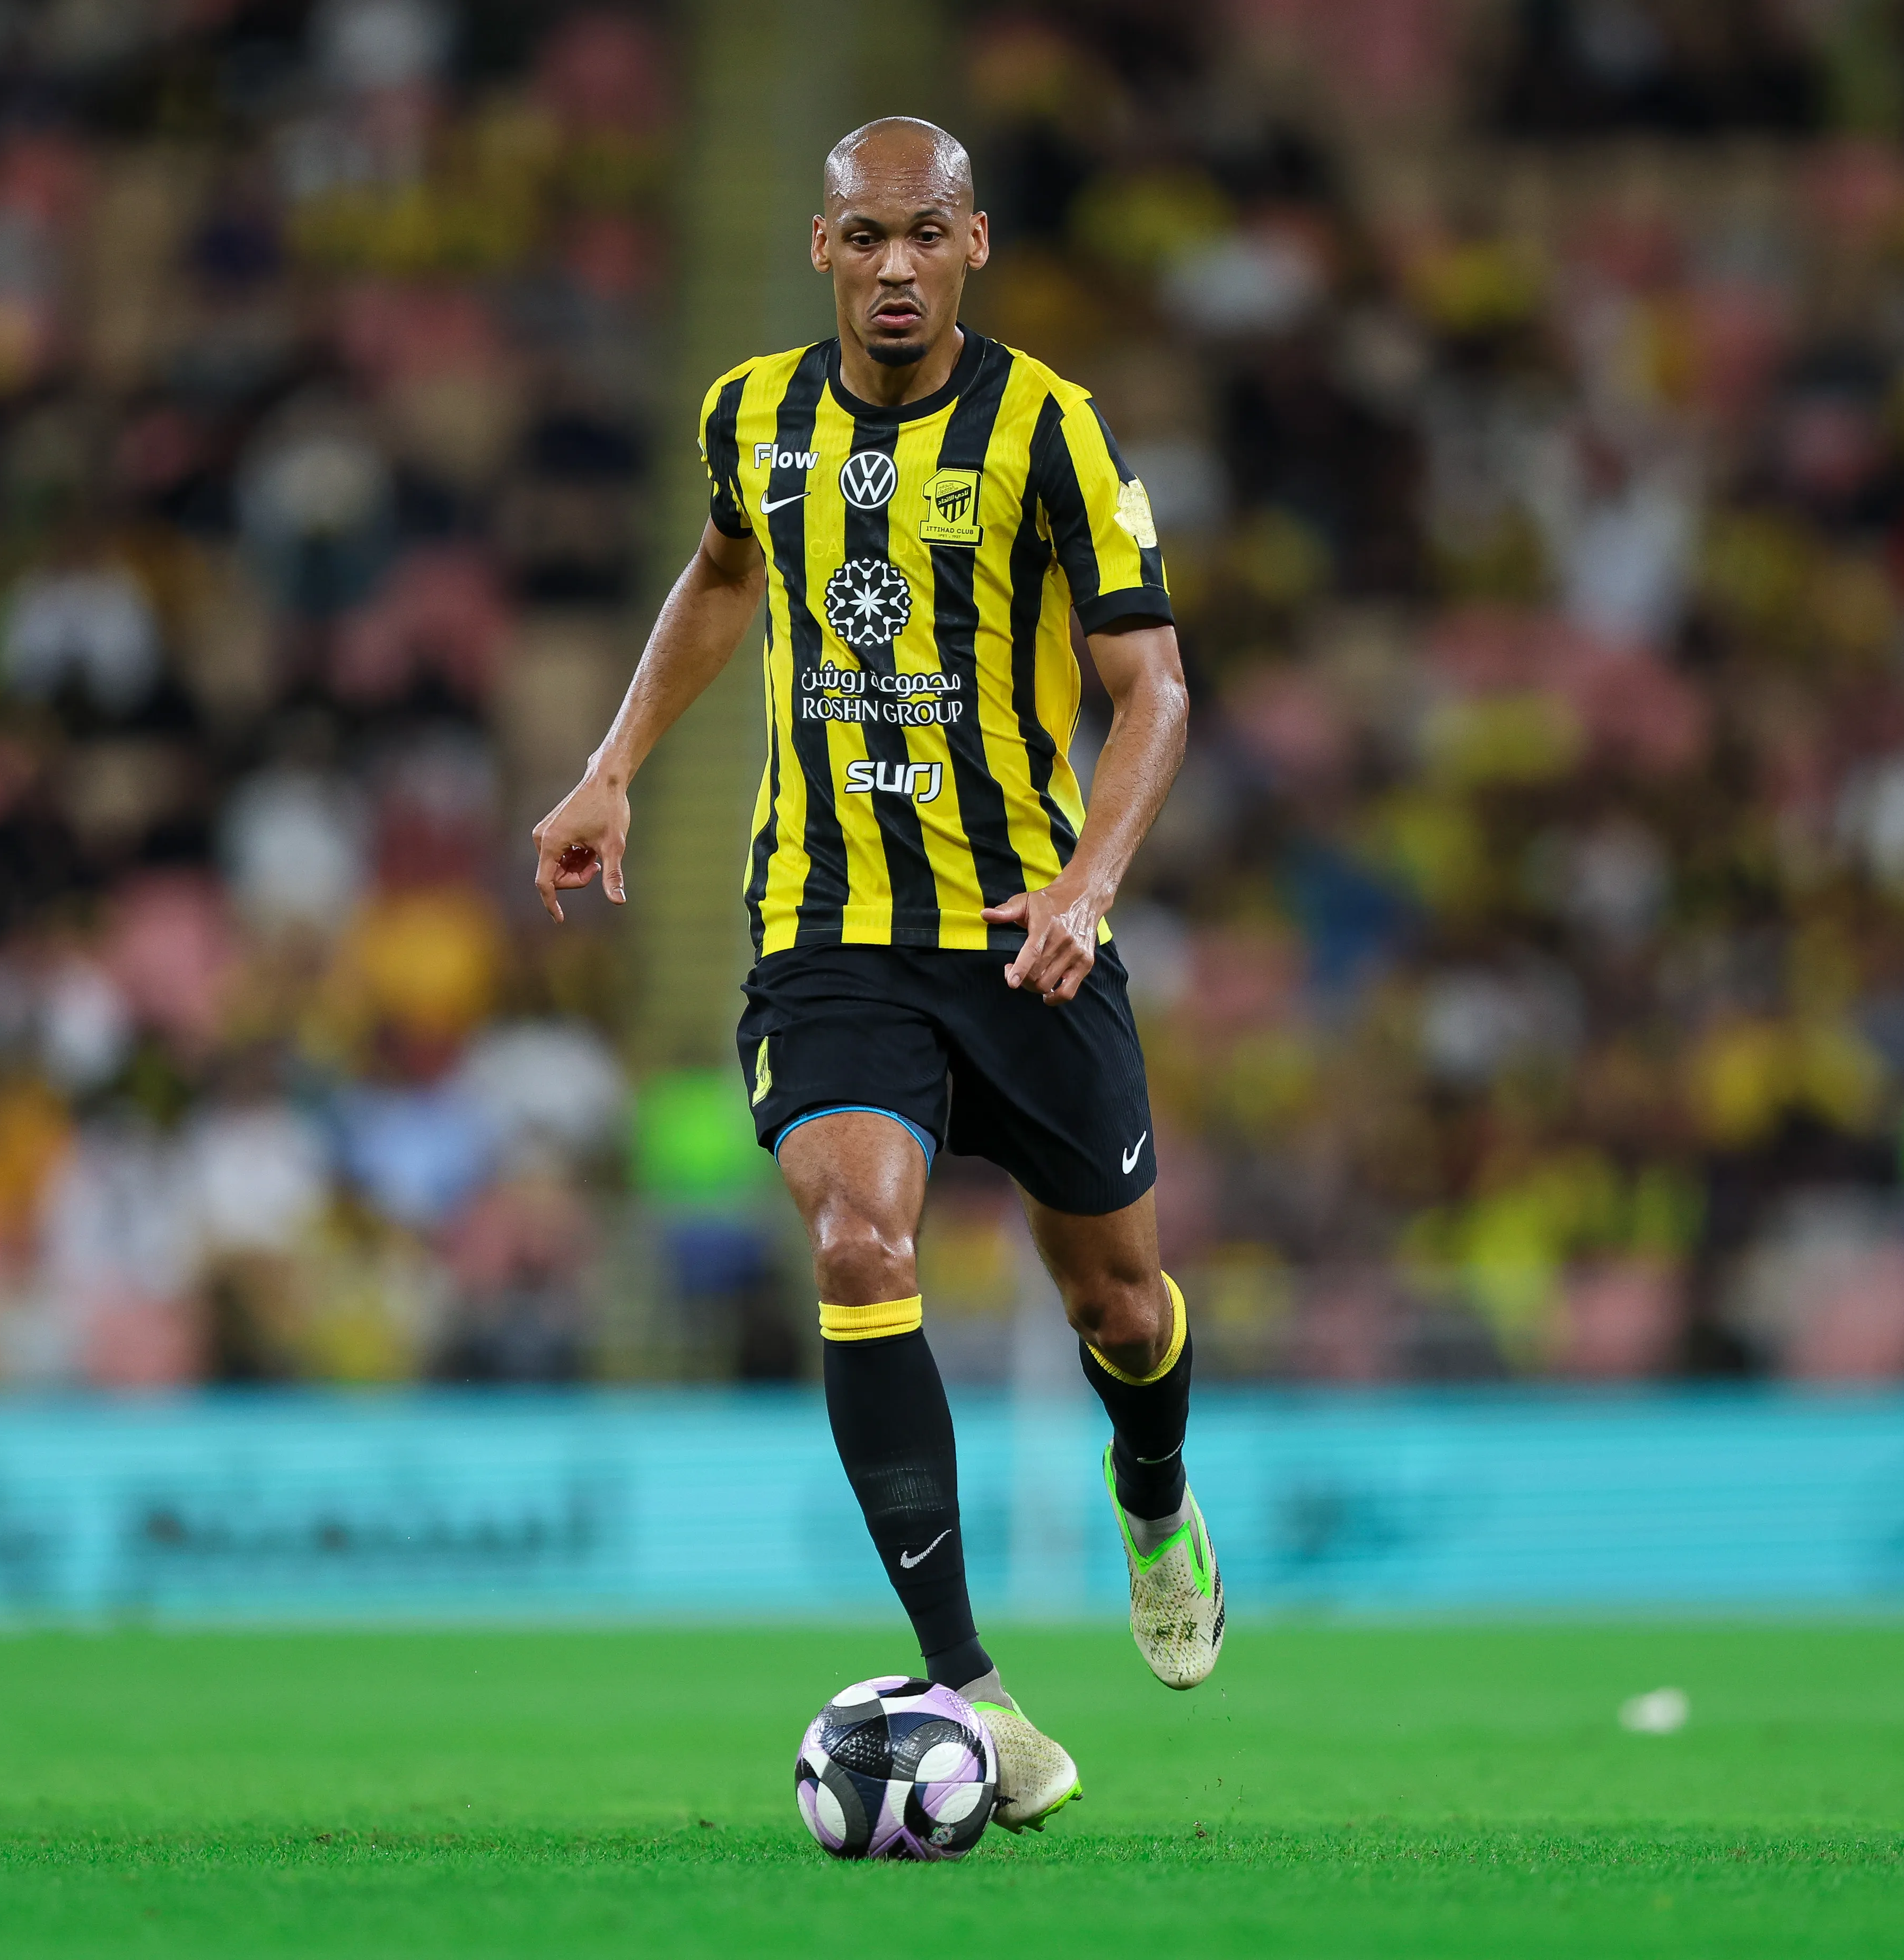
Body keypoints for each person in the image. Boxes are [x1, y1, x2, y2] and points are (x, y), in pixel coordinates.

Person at [529, 117, 1221, 1832]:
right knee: (857, 1239)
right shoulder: (748, 415)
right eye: (864, 238)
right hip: (825, 934)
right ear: (820, 252)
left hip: (1021, 936)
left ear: (974, 244)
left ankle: (1154, 1492)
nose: (896, 266)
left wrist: (1084, 879)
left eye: (927, 234)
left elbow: (1155, 691)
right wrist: (614, 762)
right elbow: (717, 576)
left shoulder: (1048, 431)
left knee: (1118, 1309)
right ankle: (974, 1688)